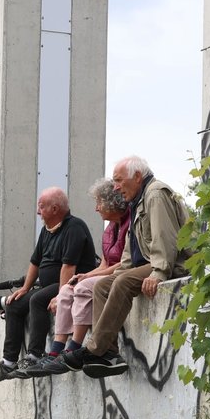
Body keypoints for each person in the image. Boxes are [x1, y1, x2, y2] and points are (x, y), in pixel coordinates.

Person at [59, 156, 189, 378]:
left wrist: (158, 273)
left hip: (171, 263)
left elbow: (164, 238)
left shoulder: (155, 194)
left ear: (137, 177)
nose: (115, 187)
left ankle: (93, 348)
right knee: (102, 286)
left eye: (119, 180)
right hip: (149, 262)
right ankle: (109, 355)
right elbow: (131, 252)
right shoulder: (136, 201)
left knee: (123, 282)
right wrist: (117, 272)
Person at [0, 187, 99, 383]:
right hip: (48, 284)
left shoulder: (75, 227)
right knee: (13, 303)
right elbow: (35, 262)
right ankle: (9, 361)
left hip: (69, 282)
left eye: (41, 207)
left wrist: (60, 295)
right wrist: (25, 288)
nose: (38, 212)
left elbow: (68, 267)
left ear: (55, 209)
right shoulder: (46, 231)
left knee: (37, 300)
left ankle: (34, 356)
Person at [23, 180, 130, 377]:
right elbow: (105, 264)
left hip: (121, 274)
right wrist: (85, 275)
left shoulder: (128, 224)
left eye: (99, 203)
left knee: (82, 288)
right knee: (66, 290)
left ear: (111, 203)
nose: (96, 208)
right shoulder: (108, 230)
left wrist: (86, 278)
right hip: (108, 273)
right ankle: (56, 351)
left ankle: (73, 348)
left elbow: (124, 263)